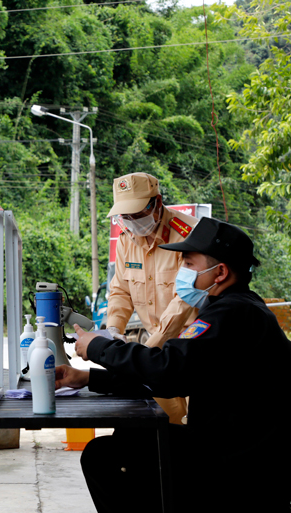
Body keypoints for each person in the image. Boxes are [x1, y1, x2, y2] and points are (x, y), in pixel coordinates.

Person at [57, 217, 291, 512]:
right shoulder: (235, 309)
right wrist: (86, 378)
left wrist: (99, 346)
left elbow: (167, 370)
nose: (181, 273)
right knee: (130, 439)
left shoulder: (231, 314)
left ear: (220, 272)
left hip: (245, 464)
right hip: (241, 450)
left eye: (188, 264)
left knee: (104, 456)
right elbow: (173, 375)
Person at [106, 172, 198, 424]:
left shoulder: (189, 234)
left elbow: (185, 300)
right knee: (165, 422)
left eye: (138, 214)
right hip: (156, 351)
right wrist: (113, 328)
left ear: (157, 203)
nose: (132, 222)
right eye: (126, 216)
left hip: (192, 348)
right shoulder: (126, 241)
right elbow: (120, 290)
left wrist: (146, 352)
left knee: (198, 424)